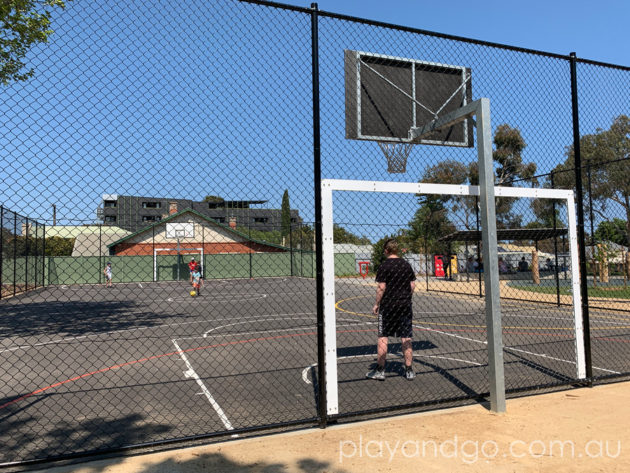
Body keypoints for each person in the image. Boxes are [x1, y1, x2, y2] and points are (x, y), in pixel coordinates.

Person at [366, 239, 417, 381]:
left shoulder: (384, 265)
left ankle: (380, 370)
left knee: (383, 336)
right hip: (404, 304)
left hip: (388, 305)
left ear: (387, 250)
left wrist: (377, 303)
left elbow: (381, 287)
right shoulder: (406, 264)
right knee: (406, 337)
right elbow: (412, 285)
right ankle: (409, 370)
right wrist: (406, 297)